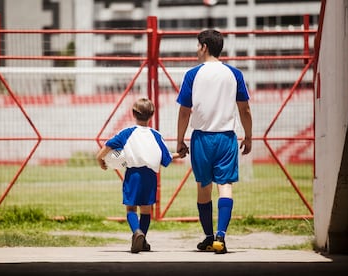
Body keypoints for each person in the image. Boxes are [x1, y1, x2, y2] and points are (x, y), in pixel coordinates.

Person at [176, 29, 252, 254]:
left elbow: (184, 112)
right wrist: (249, 136)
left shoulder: (193, 74)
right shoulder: (234, 74)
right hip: (226, 137)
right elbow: (244, 109)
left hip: (201, 137)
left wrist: (180, 140)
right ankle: (221, 236)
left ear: (204, 47)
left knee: (203, 188)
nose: (196, 50)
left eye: (197, 45)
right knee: (225, 186)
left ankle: (208, 237)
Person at [96, 97, 184, 253]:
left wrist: (99, 159)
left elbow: (108, 146)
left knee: (131, 208)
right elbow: (166, 158)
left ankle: (137, 232)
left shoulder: (127, 133)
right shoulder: (156, 135)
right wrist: (179, 154)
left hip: (133, 174)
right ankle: (143, 240)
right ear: (152, 115)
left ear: (133, 113)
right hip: (150, 176)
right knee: (146, 210)